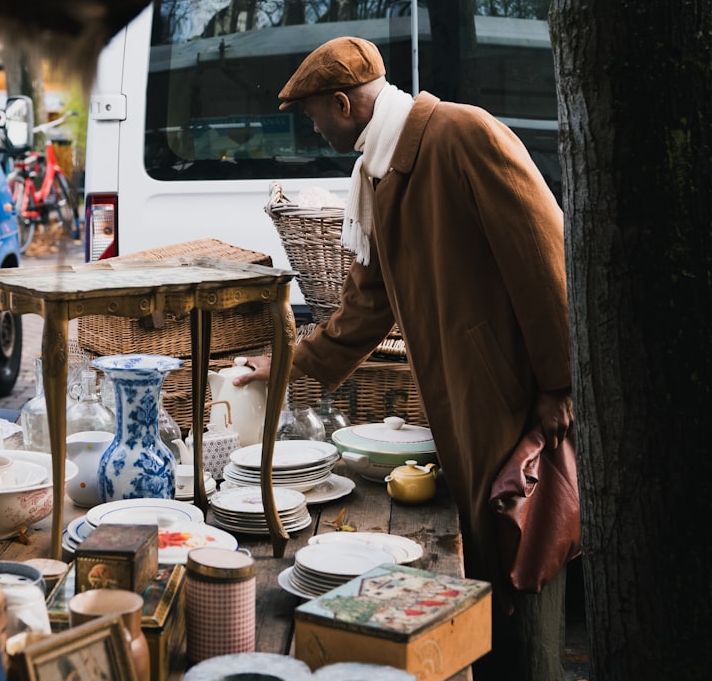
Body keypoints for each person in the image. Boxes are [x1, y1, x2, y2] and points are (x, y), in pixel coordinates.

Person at [237, 36, 573, 680]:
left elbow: (544, 257)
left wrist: (559, 385)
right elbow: (366, 306)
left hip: (508, 392)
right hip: (456, 398)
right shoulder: (375, 172)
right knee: (480, 561)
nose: (311, 128)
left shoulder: (461, 133)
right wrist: (286, 363)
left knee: (524, 549)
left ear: (342, 102)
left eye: (313, 114)